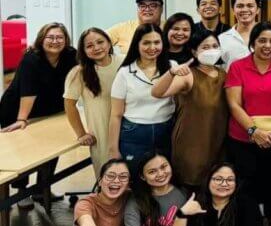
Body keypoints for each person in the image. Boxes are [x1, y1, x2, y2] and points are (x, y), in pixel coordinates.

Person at [225, 21, 271, 226]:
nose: (268, 45)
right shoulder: (238, 67)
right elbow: (234, 104)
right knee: (246, 186)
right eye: (262, 40)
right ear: (253, 42)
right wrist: (254, 131)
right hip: (243, 140)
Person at [1, 22, 77, 205]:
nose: (55, 41)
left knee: (51, 150)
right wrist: (22, 119)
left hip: (50, 109)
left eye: (60, 37)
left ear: (66, 40)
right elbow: (28, 91)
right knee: (24, 153)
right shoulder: (31, 58)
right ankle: (21, 192)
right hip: (18, 110)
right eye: (50, 37)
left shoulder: (71, 55)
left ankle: (43, 190)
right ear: (41, 39)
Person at [155, 29, 229, 190]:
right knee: (191, 185)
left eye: (215, 46)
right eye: (205, 47)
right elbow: (157, 93)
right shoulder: (188, 75)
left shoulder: (223, 74)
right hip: (192, 142)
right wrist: (171, 72)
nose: (211, 50)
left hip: (217, 140)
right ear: (194, 51)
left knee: (215, 185)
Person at [108, 24, 174, 174]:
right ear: (136, 45)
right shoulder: (125, 73)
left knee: (163, 177)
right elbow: (116, 115)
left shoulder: (172, 67)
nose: (152, 47)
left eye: (157, 42)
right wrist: (113, 149)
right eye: (146, 43)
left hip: (165, 131)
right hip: (134, 132)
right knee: (134, 177)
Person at [63, 28, 120, 178]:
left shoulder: (124, 62)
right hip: (101, 133)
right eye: (89, 46)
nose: (96, 48)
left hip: (129, 128)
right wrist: (81, 134)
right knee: (108, 176)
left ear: (109, 43)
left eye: (100, 42)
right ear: (83, 51)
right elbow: (69, 104)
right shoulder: (78, 73)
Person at [218, 0, 261, 67]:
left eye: (250, 6)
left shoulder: (269, 36)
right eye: (240, 6)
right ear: (233, 10)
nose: (244, 9)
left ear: (257, 10)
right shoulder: (222, 39)